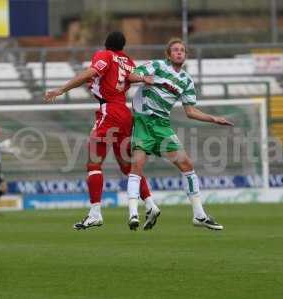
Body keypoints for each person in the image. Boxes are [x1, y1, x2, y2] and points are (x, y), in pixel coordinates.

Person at [44, 31, 159, 230]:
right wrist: (142, 78)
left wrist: (61, 89)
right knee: (127, 166)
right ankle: (150, 203)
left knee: (93, 163)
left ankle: (95, 212)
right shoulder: (127, 60)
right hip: (125, 113)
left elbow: (91, 73)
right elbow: (125, 77)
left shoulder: (104, 55)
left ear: (106, 43)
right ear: (123, 46)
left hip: (110, 111)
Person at [127, 37, 234, 230]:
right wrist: (143, 78)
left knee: (186, 164)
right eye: (175, 50)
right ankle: (133, 214)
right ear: (168, 54)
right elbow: (131, 75)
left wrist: (213, 118)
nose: (179, 52)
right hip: (144, 120)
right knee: (137, 166)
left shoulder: (186, 80)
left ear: (185, 55)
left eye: (182, 50)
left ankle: (199, 216)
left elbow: (190, 111)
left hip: (161, 125)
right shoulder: (157, 66)